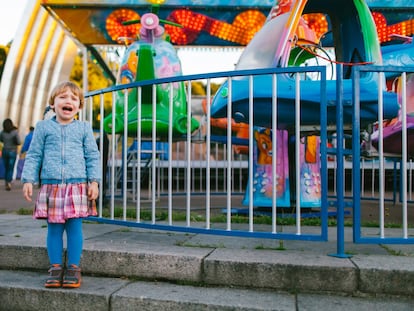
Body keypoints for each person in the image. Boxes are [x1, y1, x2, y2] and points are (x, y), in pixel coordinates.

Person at [21, 81, 101, 289]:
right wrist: (28, 179)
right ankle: (55, 267)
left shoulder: (83, 128)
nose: (68, 101)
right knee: (54, 229)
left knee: (75, 228)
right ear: (53, 103)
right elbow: (34, 154)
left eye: (74, 98)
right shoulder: (43, 127)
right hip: (52, 186)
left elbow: (92, 156)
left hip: (77, 186)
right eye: (63, 97)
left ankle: (73, 268)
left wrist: (94, 181)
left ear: (79, 106)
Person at [0, 118, 22, 190]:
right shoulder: (15, 132)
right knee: (11, 168)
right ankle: (9, 182)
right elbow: (19, 142)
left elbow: (1, 140)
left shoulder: (2, 132)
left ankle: (6, 181)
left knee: (6, 167)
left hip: (5, 151)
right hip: (12, 151)